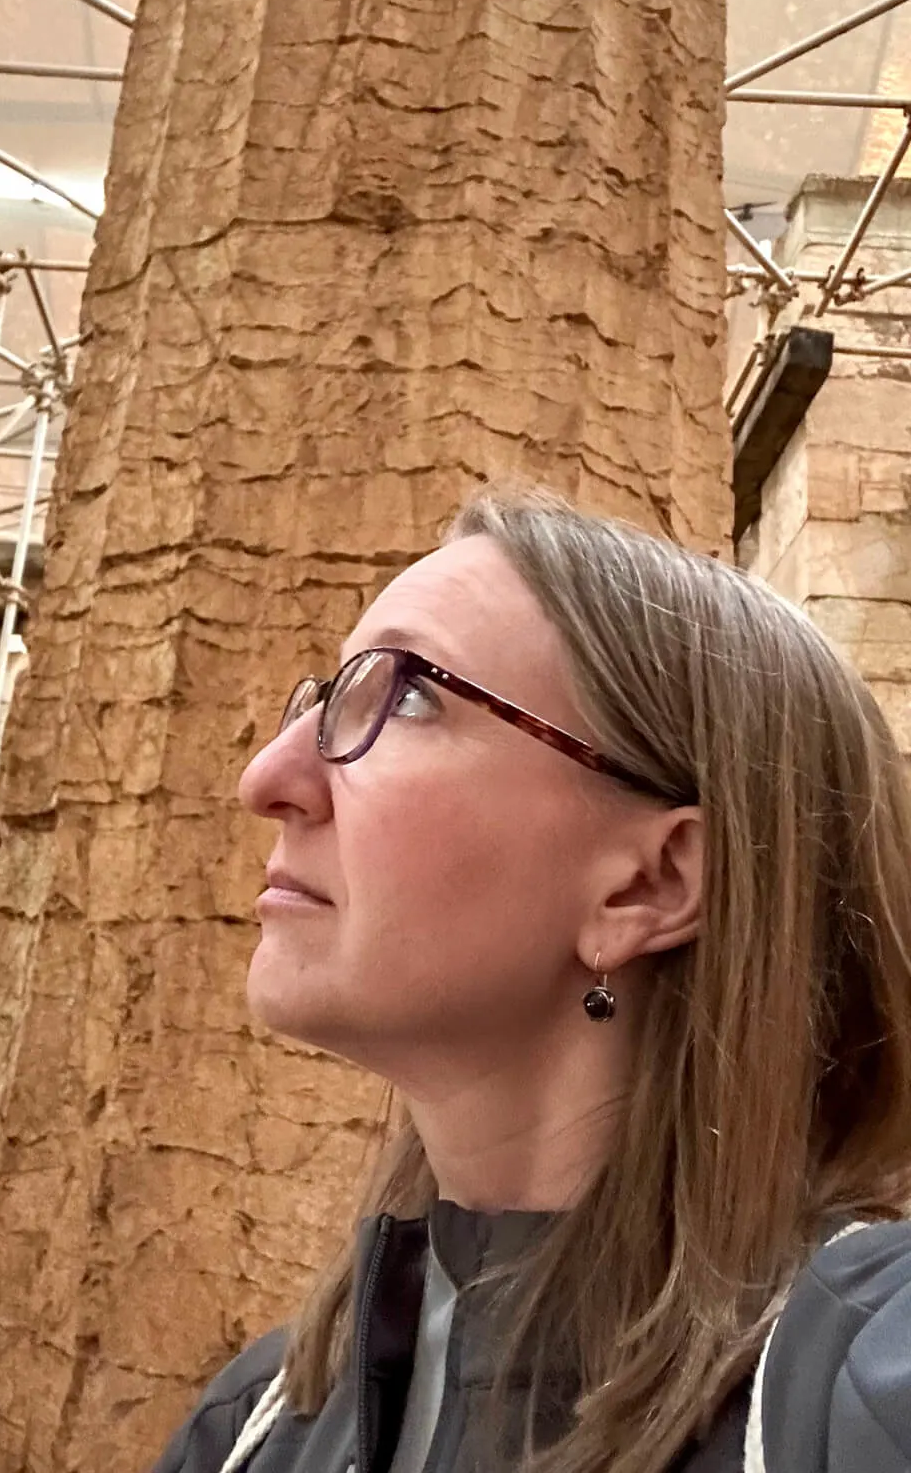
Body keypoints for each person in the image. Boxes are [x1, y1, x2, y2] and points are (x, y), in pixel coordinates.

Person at [151, 488, 911, 1473]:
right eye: (328, 698)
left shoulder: (868, 1393)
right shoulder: (256, 1424)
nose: (268, 777)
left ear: (648, 882)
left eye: (409, 693)